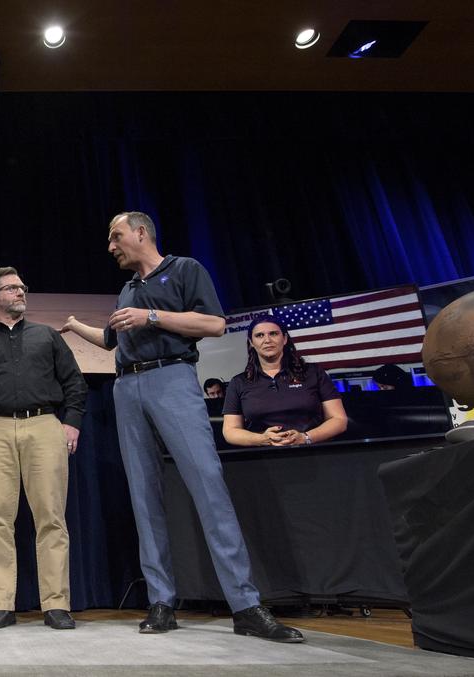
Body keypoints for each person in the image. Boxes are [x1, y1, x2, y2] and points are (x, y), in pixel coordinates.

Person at [61, 211, 303, 642]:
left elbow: (215, 324)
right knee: (143, 495)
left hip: (172, 378)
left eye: (116, 236)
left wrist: (152, 317)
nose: (111, 246)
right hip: (126, 386)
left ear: (141, 233)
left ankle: (245, 605)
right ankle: (161, 601)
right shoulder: (127, 290)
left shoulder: (185, 269)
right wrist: (77, 327)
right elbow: (112, 341)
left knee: (208, 486)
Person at [0, 267, 87, 631]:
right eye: (12, 288)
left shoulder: (46, 336)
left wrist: (71, 421)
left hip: (44, 425)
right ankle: (1, 604)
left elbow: (74, 383)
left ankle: (56, 604)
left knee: (51, 518)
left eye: (21, 287)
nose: (20, 292)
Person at [221, 316, 348, 447]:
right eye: (259, 335)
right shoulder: (238, 382)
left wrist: (305, 438)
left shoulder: (314, 372)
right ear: (251, 342)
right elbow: (230, 431)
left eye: (273, 334)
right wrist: (262, 439)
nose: (267, 340)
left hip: (313, 452)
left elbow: (339, 419)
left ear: (285, 338)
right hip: (263, 457)